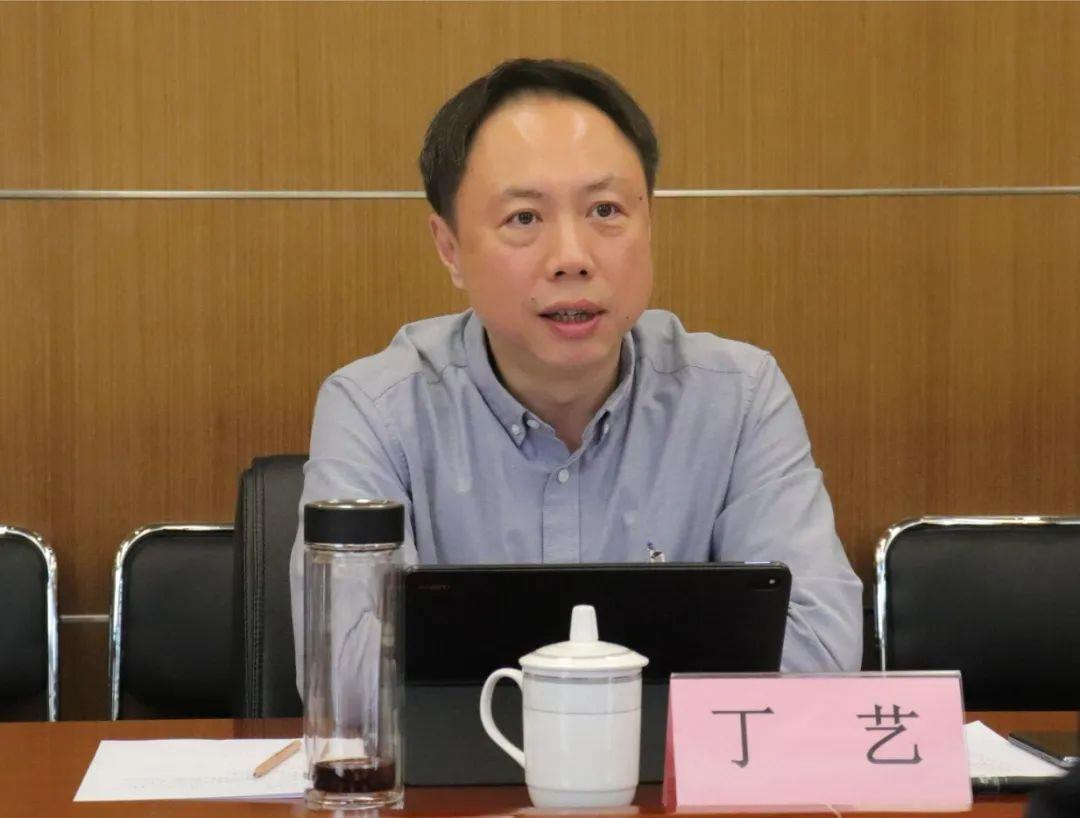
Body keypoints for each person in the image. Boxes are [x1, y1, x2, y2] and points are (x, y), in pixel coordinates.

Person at [289, 58, 863, 685]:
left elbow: (818, 654)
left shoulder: (739, 398)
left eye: (606, 210)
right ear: (449, 248)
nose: (572, 258)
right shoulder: (375, 409)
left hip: (589, 758)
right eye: (524, 218)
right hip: (498, 764)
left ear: (650, 222)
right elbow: (348, 673)